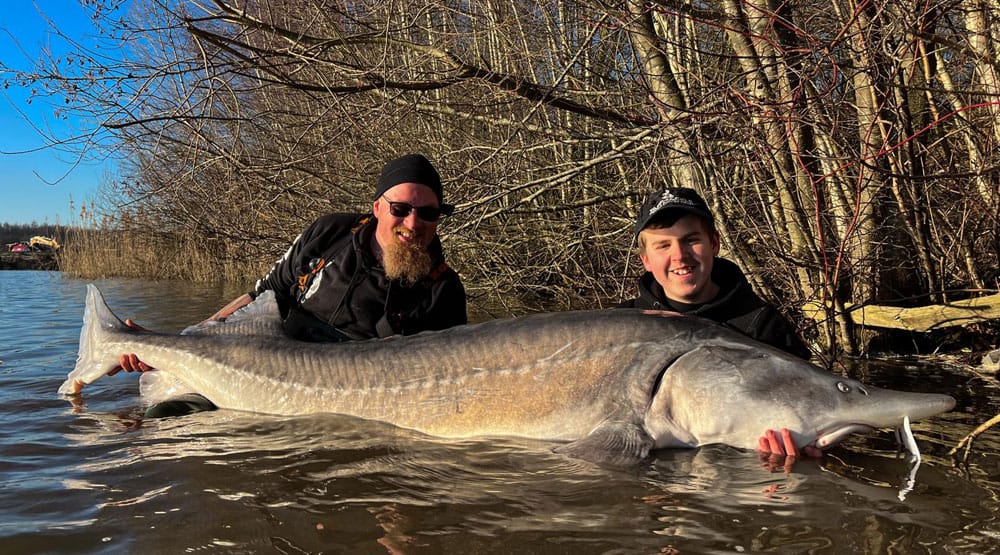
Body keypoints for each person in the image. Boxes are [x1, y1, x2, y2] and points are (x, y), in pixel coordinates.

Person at [115, 153, 468, 416]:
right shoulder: (330, 234)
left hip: (350, 402)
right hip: (259, 369)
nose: (413, 222)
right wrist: (171, 345)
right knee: (164, 421)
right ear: (378, 207)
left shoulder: (444, 289)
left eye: (428, 213)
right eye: (400, 209)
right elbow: (261, 295)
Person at [620, 187, 820, 462]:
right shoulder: (621, 324)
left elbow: (810, 404)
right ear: (646, 260)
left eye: (691, 240)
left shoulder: (761, 324)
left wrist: (804, 444)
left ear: (714, 243)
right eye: (663, 245)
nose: (679, 255)